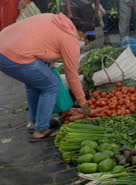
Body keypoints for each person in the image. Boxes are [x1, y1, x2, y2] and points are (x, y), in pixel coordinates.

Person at [0, 13, 91, 141]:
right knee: (51, 85)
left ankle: (35, 122)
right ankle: (41, 130)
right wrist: (83, 102)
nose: (83, 45)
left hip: (3, 46)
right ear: (83, 35)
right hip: (14, 54)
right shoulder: (70, 39)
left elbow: (42, 42)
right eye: (85, 42)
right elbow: (72, 76)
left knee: (34, 84)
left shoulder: (55, 19)